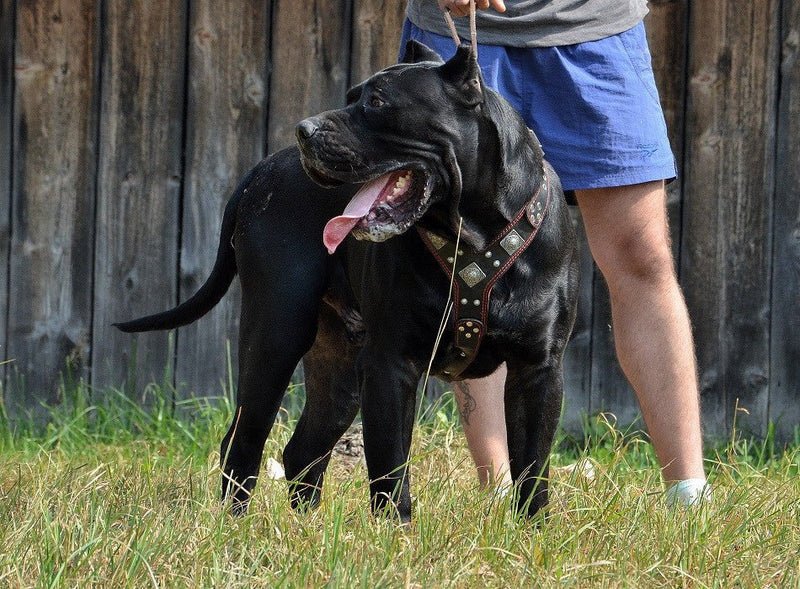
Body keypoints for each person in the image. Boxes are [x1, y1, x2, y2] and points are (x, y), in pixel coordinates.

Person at [402, 0, 710, 506]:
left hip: (596, 29)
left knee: (642, 256)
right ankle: (501, 497)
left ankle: (689, 496)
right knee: (475, 260)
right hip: (464, 30)